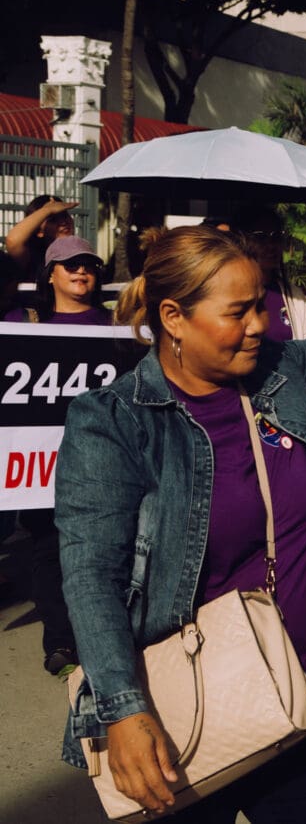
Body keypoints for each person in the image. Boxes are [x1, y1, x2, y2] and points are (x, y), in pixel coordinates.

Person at [55, 164, 306, 821]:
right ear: (174, 317)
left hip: (305, 702)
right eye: (238, 311)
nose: (261, 324)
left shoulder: (278, 376)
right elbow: (91, 577)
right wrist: (123, 710)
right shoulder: (113, 421)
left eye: (260, 303)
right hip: (181, 719)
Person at [1, 236, 111, 678]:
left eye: (87, 264)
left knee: (102, 550)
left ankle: (103, 634)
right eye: (69, 265)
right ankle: (60, 642)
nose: (80, 271)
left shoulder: (117, 326)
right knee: (49, 550)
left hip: (101, 463)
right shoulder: (18, 323)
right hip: (37, 468)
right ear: (50, 274)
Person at [226, 207, 306, 341]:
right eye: (260, 237)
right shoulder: (224, 292)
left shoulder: (295, 295)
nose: (271, 245)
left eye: (276, 236)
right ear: (240, 239)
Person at [5, 194, 79, 278]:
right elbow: (13, 241)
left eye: (64, 216)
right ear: (39, 232)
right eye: (53, 220)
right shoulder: (31, 258)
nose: (63, 222)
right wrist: (47, 210)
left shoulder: (82, 252)